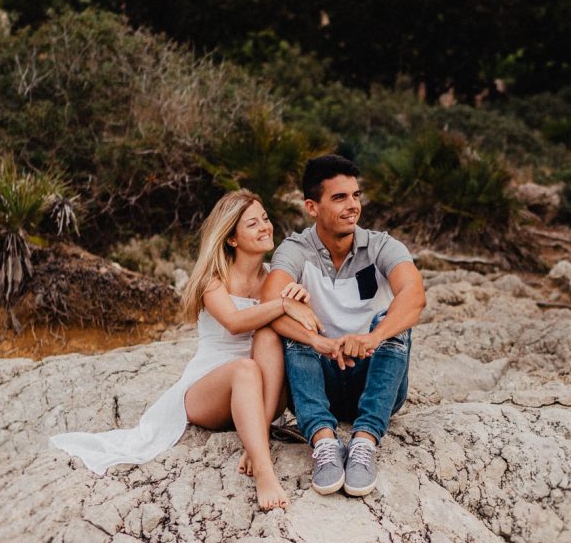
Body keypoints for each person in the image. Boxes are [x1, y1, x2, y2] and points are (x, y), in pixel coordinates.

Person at [51, 190, 321, 510]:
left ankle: (257, 434)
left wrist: (297, 302)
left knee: (267, 333)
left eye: (265, 218)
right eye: (253, 223)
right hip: (210, 391)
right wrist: (282, 304)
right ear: (231, 238)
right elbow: (234, 322)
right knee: (244, 367)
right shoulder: (212, 280)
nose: (265, 226)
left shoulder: (276, 278)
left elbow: (304, 321)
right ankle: (264, 473)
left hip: (264, 398)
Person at [262, 154, 426, 496]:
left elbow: (414, 297)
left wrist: (372, 338)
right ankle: (324, 441)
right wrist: (317, 339)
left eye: (355, 195)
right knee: (292, 323)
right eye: (339, 197)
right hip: (319, 381)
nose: (352, 206)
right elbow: (269, 301)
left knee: (393, 321)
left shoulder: (381, 245)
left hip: (376, 380)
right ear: (312, 206)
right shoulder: (297, 249)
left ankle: (364, 440)